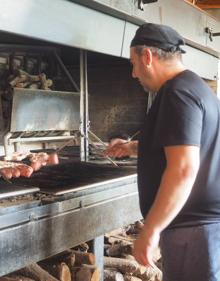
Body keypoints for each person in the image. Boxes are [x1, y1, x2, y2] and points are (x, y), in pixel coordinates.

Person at [105, 23, 220, 281]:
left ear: (147, 57)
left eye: (133, 63)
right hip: (200, 229)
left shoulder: (177, 95)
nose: (134, 73)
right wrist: (135, 147)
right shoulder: (195, 88)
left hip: (195, 231)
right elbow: (187, 145)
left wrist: (151, 230)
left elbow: (183, 169)